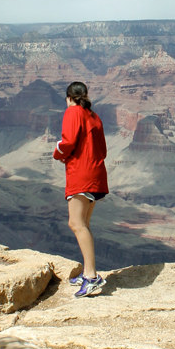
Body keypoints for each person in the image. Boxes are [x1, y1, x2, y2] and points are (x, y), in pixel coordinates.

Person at [53, 81, 109, 297]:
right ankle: (87, 272)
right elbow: (103, 149)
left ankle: (92, 277)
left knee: (75, 223)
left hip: (81, 175)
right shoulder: (93, 116)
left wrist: (58, 154)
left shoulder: (73, 112)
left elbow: (67, 142)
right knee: (84, 223)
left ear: (69, 97)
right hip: (96, 173)